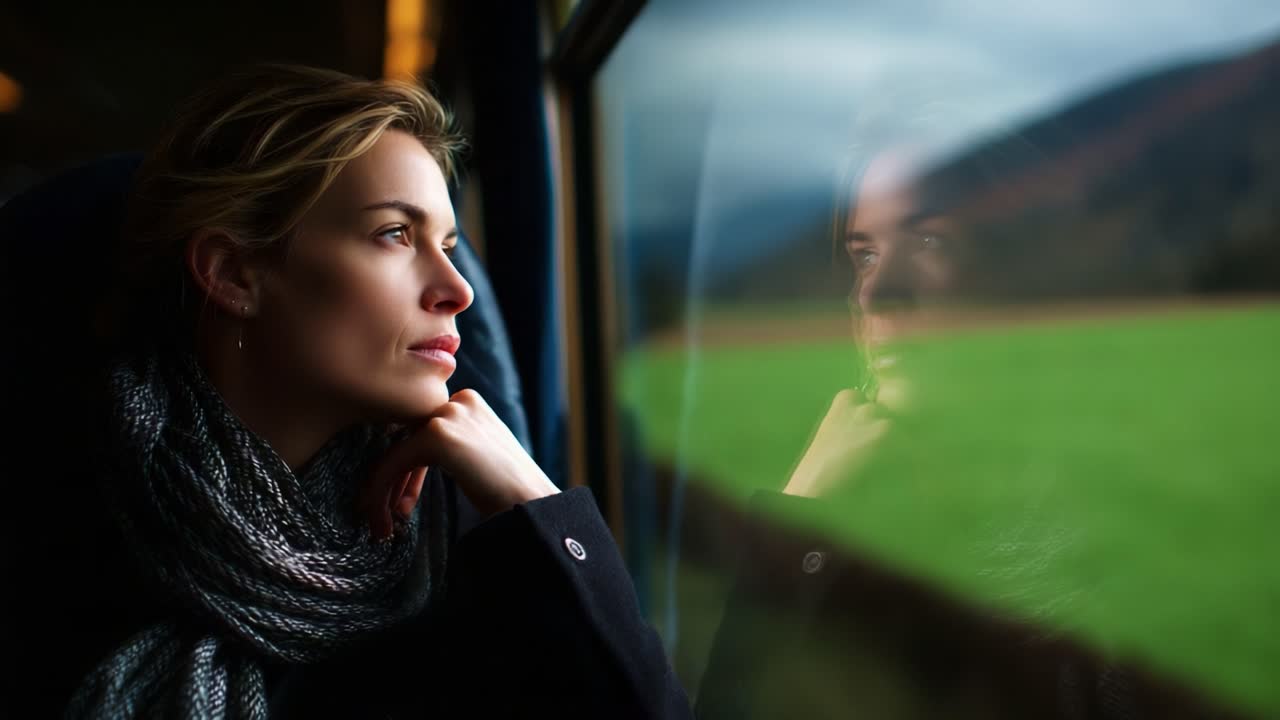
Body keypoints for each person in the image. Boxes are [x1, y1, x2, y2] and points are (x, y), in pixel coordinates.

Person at [26, 64, 691, 719]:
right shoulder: (54, 516)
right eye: (396, 234)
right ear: (233, 274)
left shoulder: (462, 527)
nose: (457, 290)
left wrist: (532, 499)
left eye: (450, 245)